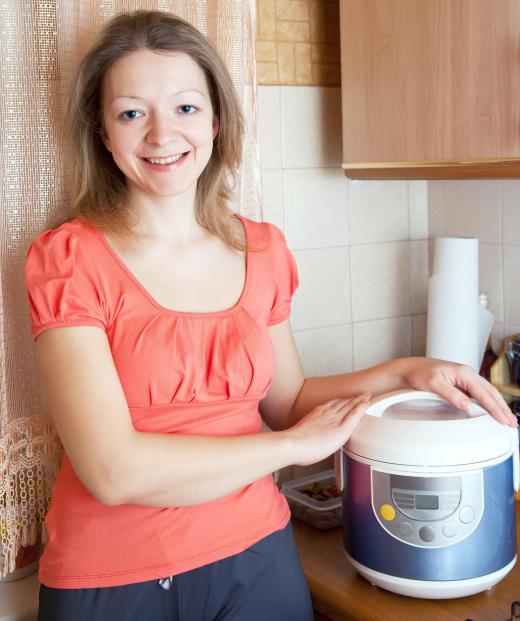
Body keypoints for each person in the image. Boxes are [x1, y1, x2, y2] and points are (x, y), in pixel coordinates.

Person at [23, 10, 517, 621]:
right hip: (111, 577)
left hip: (257, 556)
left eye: (185, 108)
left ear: (216, 119)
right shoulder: (70, 258)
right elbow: (112, 471)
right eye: (131, 113)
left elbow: (289, 400)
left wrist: (408, 372)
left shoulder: (261, 250)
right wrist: (290, 448)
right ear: (101, 131)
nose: (161, 135)